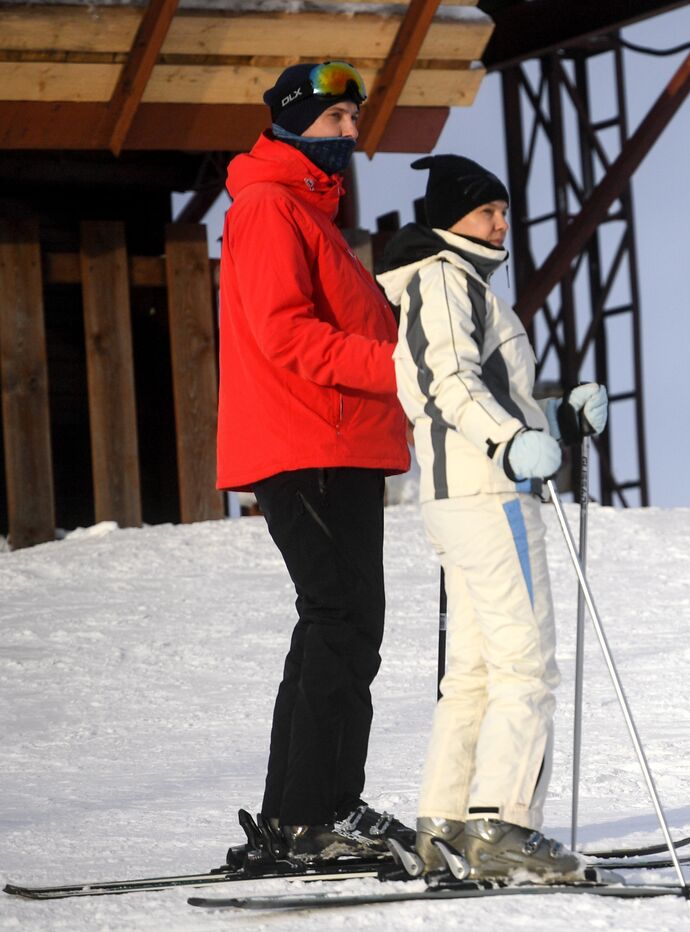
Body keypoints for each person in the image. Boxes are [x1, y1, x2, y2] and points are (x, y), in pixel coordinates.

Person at [377, 154, 609, 882]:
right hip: (488, 494)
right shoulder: (445, 278)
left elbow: (490, 394)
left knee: (475, 670)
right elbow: (448, 381)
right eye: (487, 212)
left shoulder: (454, 282)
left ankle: (444, 825)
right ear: (451, 217)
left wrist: (558, 421)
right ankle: (504, 825)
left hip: (463, 495)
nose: (501, 224)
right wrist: (511, 444)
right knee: (525, 665)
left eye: (504, 211)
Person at [215, 61, 412, 860]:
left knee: (336, 621)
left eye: (354, 122)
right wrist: (400, 367)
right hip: (309, 443)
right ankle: (316, 814)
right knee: (342, 622)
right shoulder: (270, 209)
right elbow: (285, 334)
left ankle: (300, 812)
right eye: (336, 121)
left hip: (332, 443)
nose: (350, 135)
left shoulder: (306, 212)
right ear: (295, 122)